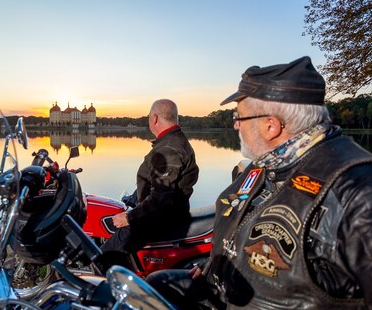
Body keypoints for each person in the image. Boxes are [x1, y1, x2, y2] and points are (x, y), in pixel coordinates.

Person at [146, 56, 372, 309]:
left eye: (239, 117)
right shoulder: (266, 165)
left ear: (270, 126)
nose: (235, 125)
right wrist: (211, 267)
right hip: (222, 291)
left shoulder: (358, 193)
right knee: (156, 285)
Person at [100, 99, 199, 262]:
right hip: (166, 212)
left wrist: (130, 218)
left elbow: (162, 196)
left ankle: (103, 284)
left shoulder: (169, 148)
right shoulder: (172, 141)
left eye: (148, 117)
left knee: (104, 256)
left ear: (154, 118)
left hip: (162, 217)